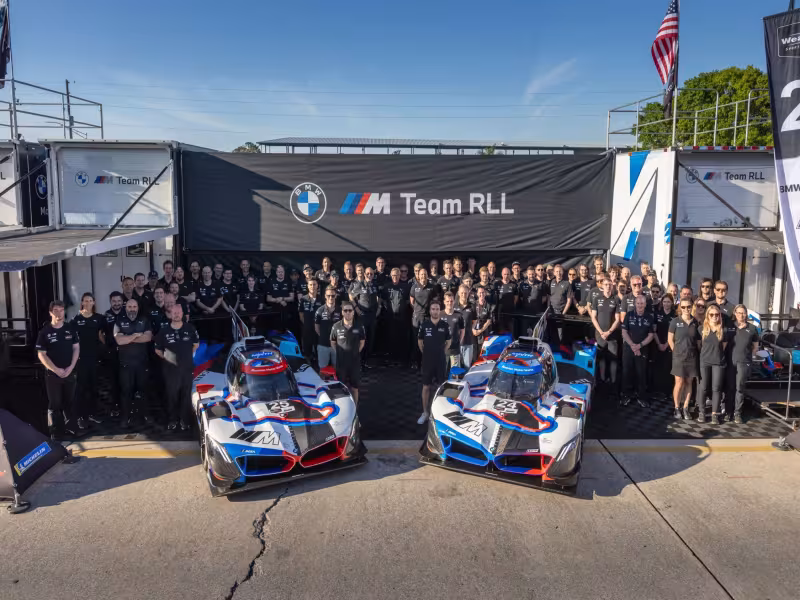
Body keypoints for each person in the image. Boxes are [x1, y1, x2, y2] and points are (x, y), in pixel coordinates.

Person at [36, 300, 80, 440]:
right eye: (56, 310)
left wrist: (71, 367)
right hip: (53, 374)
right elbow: (41, 354)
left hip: (69, 372)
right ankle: (55, 432)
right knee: (55, 403)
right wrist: (55, 370)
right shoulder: (45, 332)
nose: (59, 313)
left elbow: (76, 348)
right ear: (50, 312)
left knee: (70, 401)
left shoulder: (70, 328)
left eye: (61, 310)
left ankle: (71, 429)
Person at [154, 302, 199, 431]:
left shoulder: (190, 328)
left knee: (186, 396)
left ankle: (185, 421)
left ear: (182, 314)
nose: (176, 315)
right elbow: (157, 350)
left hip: (186, 369)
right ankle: (172, 420)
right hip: (170, 371)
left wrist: (185, 358)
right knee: (171, 396)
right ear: (170, 314)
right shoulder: (164, 331)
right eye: (174, 313)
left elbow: (196, 345)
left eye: (178, 313)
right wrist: (170, 359)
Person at [114, 298, 152, 428]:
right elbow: (119, 341)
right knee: (126, 392)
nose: (132, 309)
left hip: (142, 364)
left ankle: (144, 416)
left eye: (134, 306)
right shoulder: (119, 320)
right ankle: (125, 418)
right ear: (126, 308)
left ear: (137, 307)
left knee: (143, 391)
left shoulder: (144, 320)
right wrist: (136, 335)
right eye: (130, 306)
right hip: (125, 364)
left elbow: (148, 337)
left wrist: (128, 338)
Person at [71, 292, 105, 429]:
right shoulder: (76, 319)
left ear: (94, 303)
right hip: (81, 359)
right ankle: (81, 416)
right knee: (81, 389)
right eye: (86, 300)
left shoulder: (99, 318)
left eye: (91, 300)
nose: (88, 303)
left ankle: (93, 414)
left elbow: (103, 336)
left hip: (95, 359)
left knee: (94, 388)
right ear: (82, 302)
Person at [417, 300, 451, 424]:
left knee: (440, 387)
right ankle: (425, 412)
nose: (435, 311)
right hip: (427, 360)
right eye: (433, 309)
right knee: (426, 387)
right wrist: (426, 352)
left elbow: (449, 342)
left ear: (439, 311)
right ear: (430, 311)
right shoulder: (424, 325)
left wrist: (441, 352)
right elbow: (420, 341)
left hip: (440, 360)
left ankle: (438, 413)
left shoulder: (444, 325)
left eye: (437, 309)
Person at [668, 298, 701, 420]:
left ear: (692, 307)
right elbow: (670, 340)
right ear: (680, 308)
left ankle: (685, 408)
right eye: (683, 307)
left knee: (689, 382)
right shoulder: (675, 322)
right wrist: (675, 353)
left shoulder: (696, 322)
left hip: (692, 357)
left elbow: (698, 342)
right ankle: (677, 408)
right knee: (679, 382)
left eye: (688, 307)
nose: (686, 309)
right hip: (679, 358)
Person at [726, 304, 759, 425]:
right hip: (730, 362)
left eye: (743, 313)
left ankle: (737, 413)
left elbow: (755, 346)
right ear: (735, 313)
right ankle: (728, 412)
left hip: (744, 362)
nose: (741, 315)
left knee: (740, 388)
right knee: (730, 387)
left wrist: (749, 357)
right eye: (739, 313)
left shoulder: (752, 328)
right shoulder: (729, 326)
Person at [620, 295, 655, 407]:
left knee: (641, 374)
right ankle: (626, 396)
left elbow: (651, 335)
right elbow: (624, 332)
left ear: (645, 304)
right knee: (627, 373)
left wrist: (639, 346)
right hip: (628, 349)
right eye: (638, 303)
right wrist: (633, 345)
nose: (640, 305)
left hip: (643, 349)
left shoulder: (649, 317)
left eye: (642, 303)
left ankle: (641, 397)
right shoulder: (629, 315)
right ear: (635, 304)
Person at [696, 304, 728, 424]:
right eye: (712, 314)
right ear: (707, 316)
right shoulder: (701, 329)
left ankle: (715, 413)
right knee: (703, 387)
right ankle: (702, 412)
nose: (714, 317)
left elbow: (723, 347)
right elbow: (699, 345)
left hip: (718, 362)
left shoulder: (723, 330)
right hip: (705, 361)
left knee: (716, 388)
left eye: (717, 314)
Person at [590, 278, 622, 397]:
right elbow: (593, 317)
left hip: (612, 336)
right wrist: (601, 332)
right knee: (601, 359)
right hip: (600, 335)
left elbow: (618, 319)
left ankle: (613, 384)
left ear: (612, 286)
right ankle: (602, 381)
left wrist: (608, 332)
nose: (608, 286)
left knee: (613, 360)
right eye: (606, 284)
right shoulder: (597, 299)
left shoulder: (616, 299)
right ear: (602, 286)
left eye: (610, 284)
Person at [330, 302, 366, 404]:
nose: (348, 313)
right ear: (342, 312)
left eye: (350, 310)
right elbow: (333, 342)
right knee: (341, 388)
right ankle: (342, 407)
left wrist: (354, 352)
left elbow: (362, 342)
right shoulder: (336, 326)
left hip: (354, 363)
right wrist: (340, 353)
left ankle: (355, 408)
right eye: (345, 310)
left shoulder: (359, 326)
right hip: (341, 363)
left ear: (353, 312)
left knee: (355, 388)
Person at [349, 267, 380, 369]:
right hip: (363, 316)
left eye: (371, 274)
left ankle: (367, 360)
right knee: (362, 339)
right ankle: (359, 361)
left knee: (371, 338)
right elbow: (351, 296)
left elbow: (379, 298)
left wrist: (378, 309)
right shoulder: (359, 285)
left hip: (372, 316)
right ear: (364, 274)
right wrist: (356, 309)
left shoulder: (375, 284)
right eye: (368, 274)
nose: (369, 275)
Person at [103, 291, 125, 417]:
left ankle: (127, 406)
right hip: (111, 353)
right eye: (114, 301)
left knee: (126, 382)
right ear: (110, 302)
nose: (116, 303)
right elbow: (100, 334)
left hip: (126, 353)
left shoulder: (127, 313)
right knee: (113, 382)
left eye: (118, 301)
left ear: (122, 302)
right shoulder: (106, 315)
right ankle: (114, 407)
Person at [409, 268, 435, 369]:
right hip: (417, 318)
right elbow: (412, 301)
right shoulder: (414, 287)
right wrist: (417, 310)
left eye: (425, 274)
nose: (423, 276)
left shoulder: (432, 287)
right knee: (416, 340)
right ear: (418, 276)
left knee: (427, 341)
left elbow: (434, 301)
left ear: (427, 275)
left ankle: (425, 362)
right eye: (421, 274)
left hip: (428, 318)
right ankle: (415, 362)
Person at [383, 268, 410, 364]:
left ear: (400, 276)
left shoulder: (405, 287)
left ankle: (401, 360)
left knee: (401, 337)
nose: (395, 277)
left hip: (402, 316)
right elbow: (383, 300)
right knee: (391, 337)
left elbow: (408, 300)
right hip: (390, 317)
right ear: (391, 276)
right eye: (393, 275)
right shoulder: (387, 286)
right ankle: (391, 359)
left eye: (397, 275)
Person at [652, 294, 675, 397]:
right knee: (658, 367)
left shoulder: (675, 315)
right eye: (664, 302)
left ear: (672, 303)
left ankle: (667, 391)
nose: (666, 304)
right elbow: (654, 330)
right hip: (658, 344)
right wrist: (659, 344)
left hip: (669, 345)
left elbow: (675, 333)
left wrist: (666, 344)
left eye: (668, 302)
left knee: (668, 367)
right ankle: (657, 390)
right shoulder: (657, 314)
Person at [315, 287, 343, 370]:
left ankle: (337, 383)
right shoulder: (319, 310)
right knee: (323, 370)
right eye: (328, 296)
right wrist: (324, 336)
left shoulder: (341, 310)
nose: (331, 298)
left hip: (338, 345)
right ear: (325, 296)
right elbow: (317, 327)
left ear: (336, 296)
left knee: (337, 369)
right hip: (323, 345)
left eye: (333, 296)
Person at [299, 279, 323, 361]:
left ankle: (318, 361)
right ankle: (307, 360)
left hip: (318, 327)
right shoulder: (303, 299)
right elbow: (301, 314)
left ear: (317, 286)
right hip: (307, 327)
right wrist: (306, 324)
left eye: (314, 284)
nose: (313, 286)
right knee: (307, 346)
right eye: (311, 285)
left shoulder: (322, 299)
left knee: (318, 345)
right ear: (308, 286)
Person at [441, 292, 464, 372]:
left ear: (454, 301)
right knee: (442, 371)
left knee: (455, 373)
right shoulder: (440, 315)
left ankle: (454, 384)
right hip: (442, 349)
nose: (449, 303)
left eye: (451, 301)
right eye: (447, 301)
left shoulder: (459, 315)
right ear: (444, 302)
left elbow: (462, 330)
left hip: (455, 348)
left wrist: (459, 341)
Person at [267, 265, 295, 330]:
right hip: (274, 311)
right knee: (275, 330)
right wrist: (279, 300)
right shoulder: (271, 282)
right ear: (276, 273)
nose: (281, 273)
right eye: (279, 272)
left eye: (282, 272)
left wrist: (282, 298)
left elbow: (292, 298)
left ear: (284, 272)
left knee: (286, 329)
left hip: (286, 311)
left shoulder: (289, 282)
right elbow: (268, 298)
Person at [456, 284, 475, 367]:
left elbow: (475, 321)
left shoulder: (472, 306)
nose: (464, 295)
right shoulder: (453, 306)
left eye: (465, 293)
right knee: (456, 368)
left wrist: (471, 330)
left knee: (467, 366)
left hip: (468, 340)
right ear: (458, 293)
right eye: (462, 293)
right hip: (456, 342)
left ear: (468, 293)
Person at [472, 286, 495, 350]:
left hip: (484, 331)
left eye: (483, 292)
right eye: (480, 293)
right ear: (477, 293)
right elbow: (470, 319)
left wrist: (480, 330)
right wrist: (473, 330)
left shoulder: (489, 305)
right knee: (473, 352)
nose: (481, 294)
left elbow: (489, 321)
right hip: (473, 331)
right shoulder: (473, 304)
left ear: (485, 293)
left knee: (483, 351)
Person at [496, 267, 518, 334]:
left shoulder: (514, 284)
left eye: (508, 274)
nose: (506, 276)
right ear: (502, 274)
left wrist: (511, 305)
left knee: (511, 332)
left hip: (510, 313)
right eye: (505, 274)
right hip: (500, 313)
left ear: (510, 274)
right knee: (501, 332)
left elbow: (516, 298)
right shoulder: (497, 284)